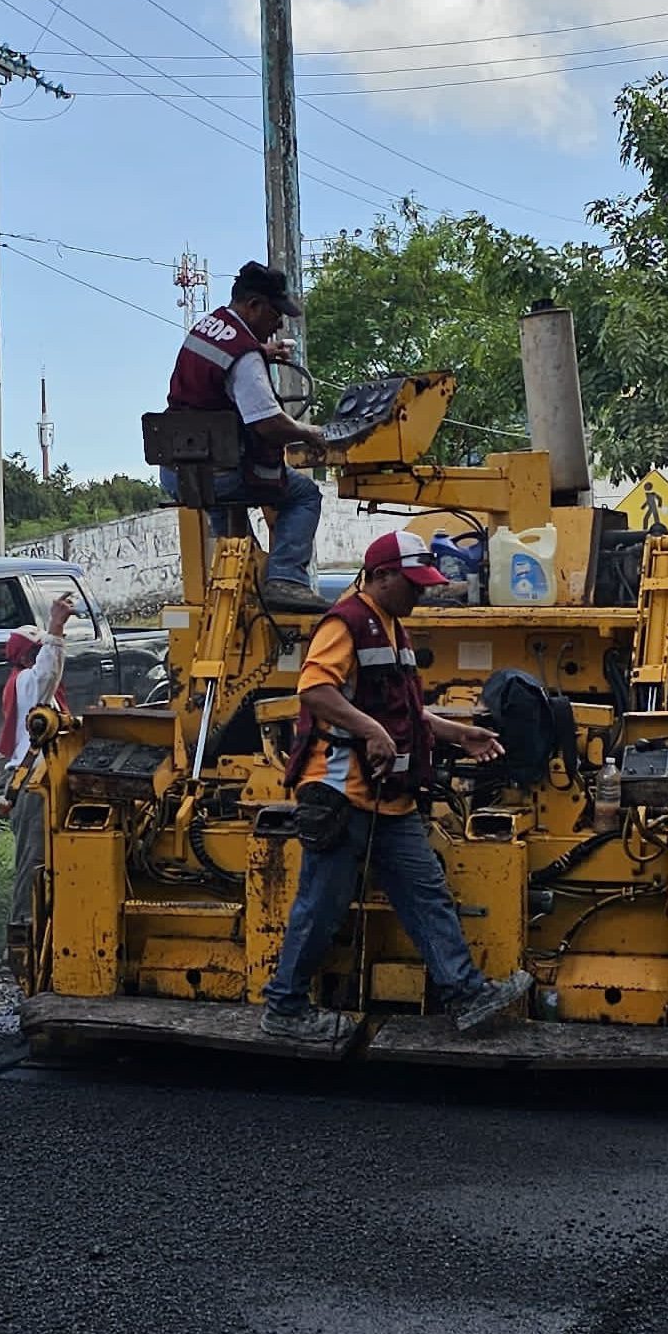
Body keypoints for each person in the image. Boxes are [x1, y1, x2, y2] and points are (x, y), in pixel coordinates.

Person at [260, 529, 532, 1046]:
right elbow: (314, 690)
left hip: (388, 796)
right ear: (380, 576)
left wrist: (457, 732)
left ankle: (466, 996)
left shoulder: (390, 627)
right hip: (340, 792)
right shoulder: (345, 623)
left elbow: (401, 710)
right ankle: (285, 1008)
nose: (421, 594)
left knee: (427, 895)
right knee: (321, 905)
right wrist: (371, 731)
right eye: (412, 584)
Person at [162, 260, 330, 614]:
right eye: (275, 313)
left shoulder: (208, 328)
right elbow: (268, 424)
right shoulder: (245, 357)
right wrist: (309, 432)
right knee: (304, 495)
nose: (279, 324)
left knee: (229, 512)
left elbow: (220, 368)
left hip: (181, 471)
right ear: (253, 305)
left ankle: (249, 581)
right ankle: (285, 579)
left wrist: (261, 352)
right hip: (223, 474)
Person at [0, 592, 74, 932]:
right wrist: (56, 627)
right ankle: (24, 930)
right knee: (34, 860)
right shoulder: (28, 684)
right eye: (39, 649)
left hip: (35, 779)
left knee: (43, 859)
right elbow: (47, 672)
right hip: (31, 781)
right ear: (29, 655)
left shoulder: (27, 687)